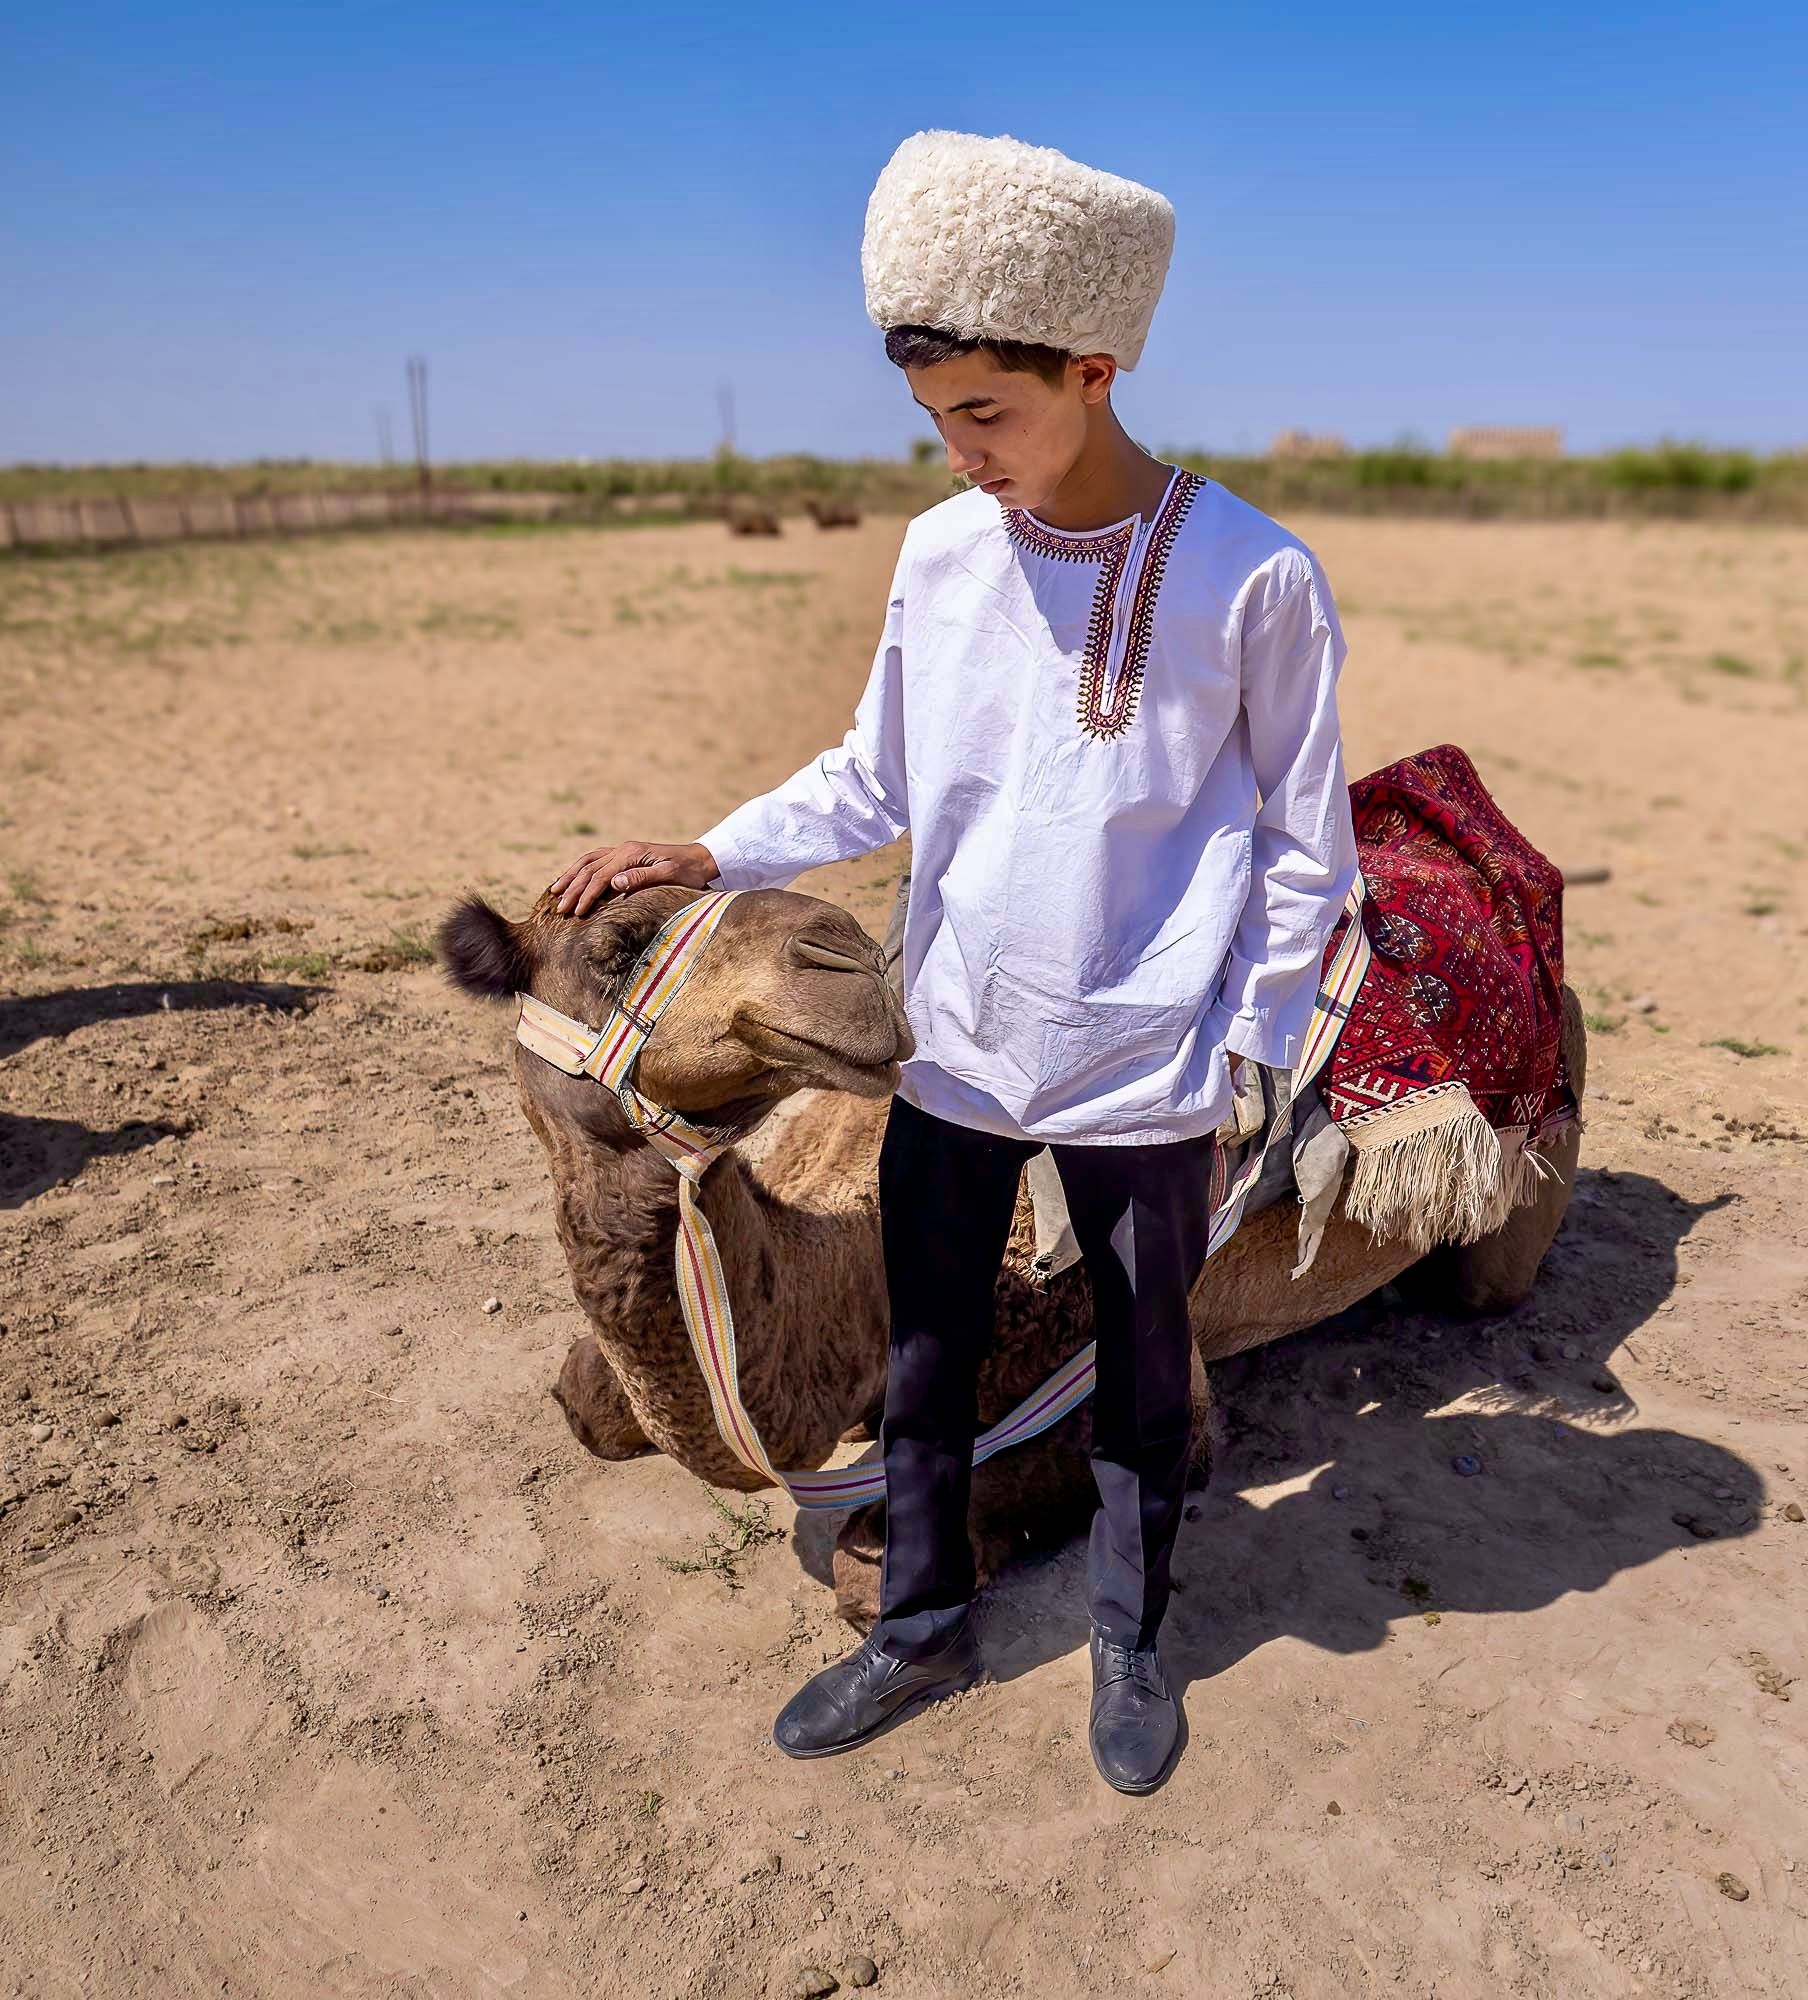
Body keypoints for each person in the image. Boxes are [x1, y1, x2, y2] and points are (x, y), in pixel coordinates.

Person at [549, 128, 1358, 1795]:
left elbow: (1302, 846)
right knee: (921, 1353)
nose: (962, 455)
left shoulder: (1254, 579)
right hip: (956, 1045)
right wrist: (711, 848)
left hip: (1149, 1067)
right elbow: (876, 778)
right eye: (935, 424)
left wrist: (1252, 1049)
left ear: (1095, 366)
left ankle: (1132, 1636)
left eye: (986, 414)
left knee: (1142, 1379)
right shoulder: (939, 556)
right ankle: (917, 1626)